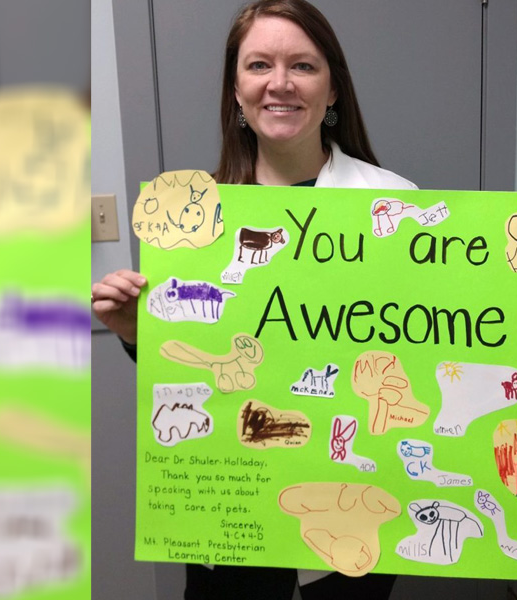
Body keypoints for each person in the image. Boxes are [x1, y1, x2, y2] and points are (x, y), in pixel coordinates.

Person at [91, 1, 414, 598]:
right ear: (236, 91)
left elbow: (446, 338)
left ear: (333, 88)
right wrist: (138, 334)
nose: (280, 83)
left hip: (346, 494)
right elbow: (190, 375)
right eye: (259, 65)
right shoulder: (193, 220)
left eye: (303, 66)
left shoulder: (396, 206)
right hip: (231, 500)